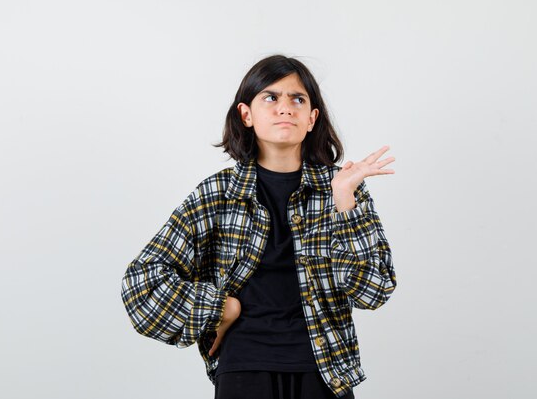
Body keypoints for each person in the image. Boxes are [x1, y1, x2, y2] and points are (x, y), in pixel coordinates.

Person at [121, 55, 397, 399]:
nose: (285, 108)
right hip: (244, 368)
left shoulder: (343, 187)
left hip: (325, 370)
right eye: (271, 97)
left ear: (312, 119)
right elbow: (141, 283)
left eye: (298, 99)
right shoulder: (218, 194)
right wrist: (220, 307)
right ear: (246, 115)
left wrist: (344, 201)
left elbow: (373, 291)